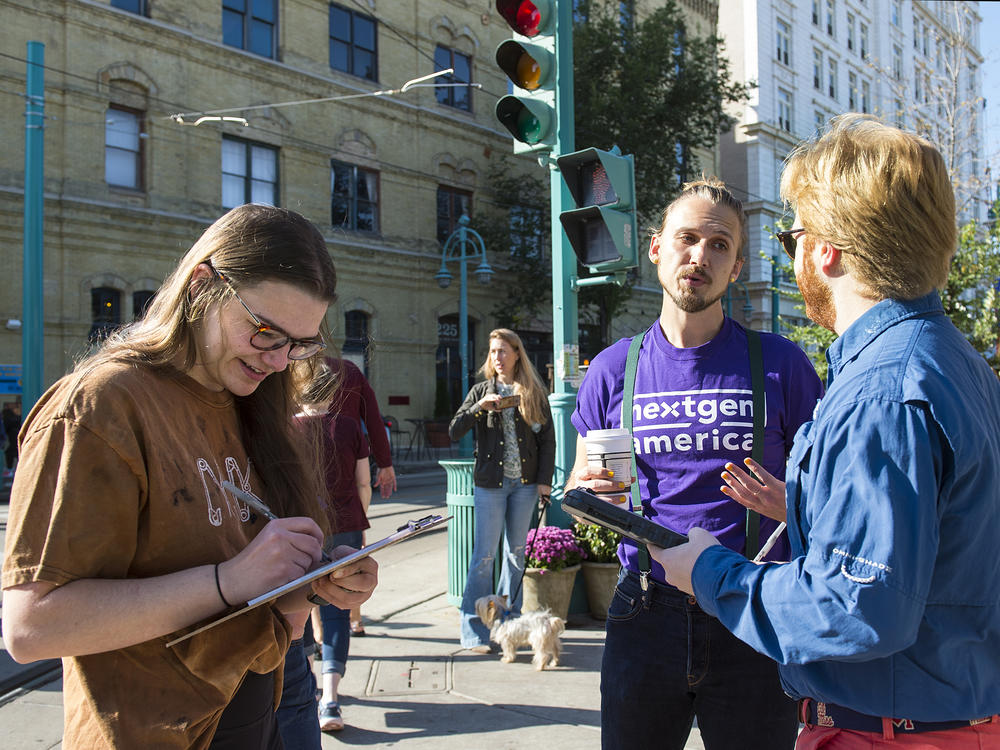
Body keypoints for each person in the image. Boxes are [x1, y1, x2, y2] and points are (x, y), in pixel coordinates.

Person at [653, 115, 1000, 748]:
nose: (793, 257)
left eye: (792, 238)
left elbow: (857, 606)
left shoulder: (883, 388)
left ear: (825, 249)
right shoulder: (955, 363)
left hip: (887, 732)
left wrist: (709, 570)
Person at [1, 204, 379, 750]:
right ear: (203, 283)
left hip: (262, 710)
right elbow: (31, 626)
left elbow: (259, 605)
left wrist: (311, 584)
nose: (278, 361)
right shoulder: (102, 406)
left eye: (298, 344)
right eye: (265, 331)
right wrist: (231, 580)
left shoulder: (250, 403)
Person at [567, 177, 824, 750]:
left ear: (735, 268)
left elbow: (837, 496)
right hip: (643, 612)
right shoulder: (613, 370)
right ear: (657, 249)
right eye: (688, 239)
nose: (700, 256)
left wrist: (793, 503)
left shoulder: (781, 365)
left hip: (753, 609)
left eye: (719, 245)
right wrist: (587, 495)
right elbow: (580, 488)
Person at [449, 328, 556, 652]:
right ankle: (473, 631)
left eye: (503, 351)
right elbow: (455, 430)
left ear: (517, 354)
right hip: (490, 486)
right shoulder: (482, 390)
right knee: (484, 556)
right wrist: (480, 406)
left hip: (523, 486)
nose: (497, 357)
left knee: (515, 555)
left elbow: (546, 440)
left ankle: (508, 627)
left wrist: (543, 481)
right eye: (493, 351)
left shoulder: (533, 391)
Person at [2, 401, 20, 475]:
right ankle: (12, 470)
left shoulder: (6, 420)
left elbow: (4, 431)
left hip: (12, 440)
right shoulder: (17, 418)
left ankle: (10, 470)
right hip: (16, 441)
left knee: (10, 453)